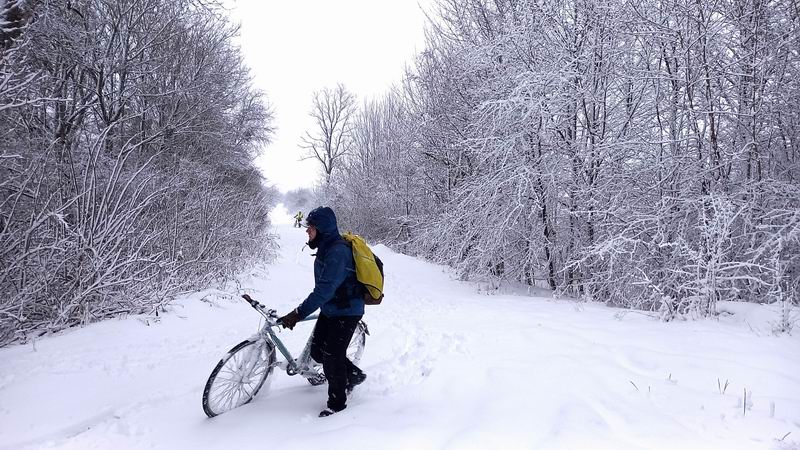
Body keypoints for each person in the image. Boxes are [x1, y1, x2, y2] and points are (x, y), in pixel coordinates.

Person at [279, 206, 367, 417]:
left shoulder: (337, 252)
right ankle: (353, 374)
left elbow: (324, 290)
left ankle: (337, 404)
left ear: (323, 229)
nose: (307, 231)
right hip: (332, 308)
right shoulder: (326, 247)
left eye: (311, 227)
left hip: (347, 310)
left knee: (332, 356)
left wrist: (298, 313)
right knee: (317, 352)